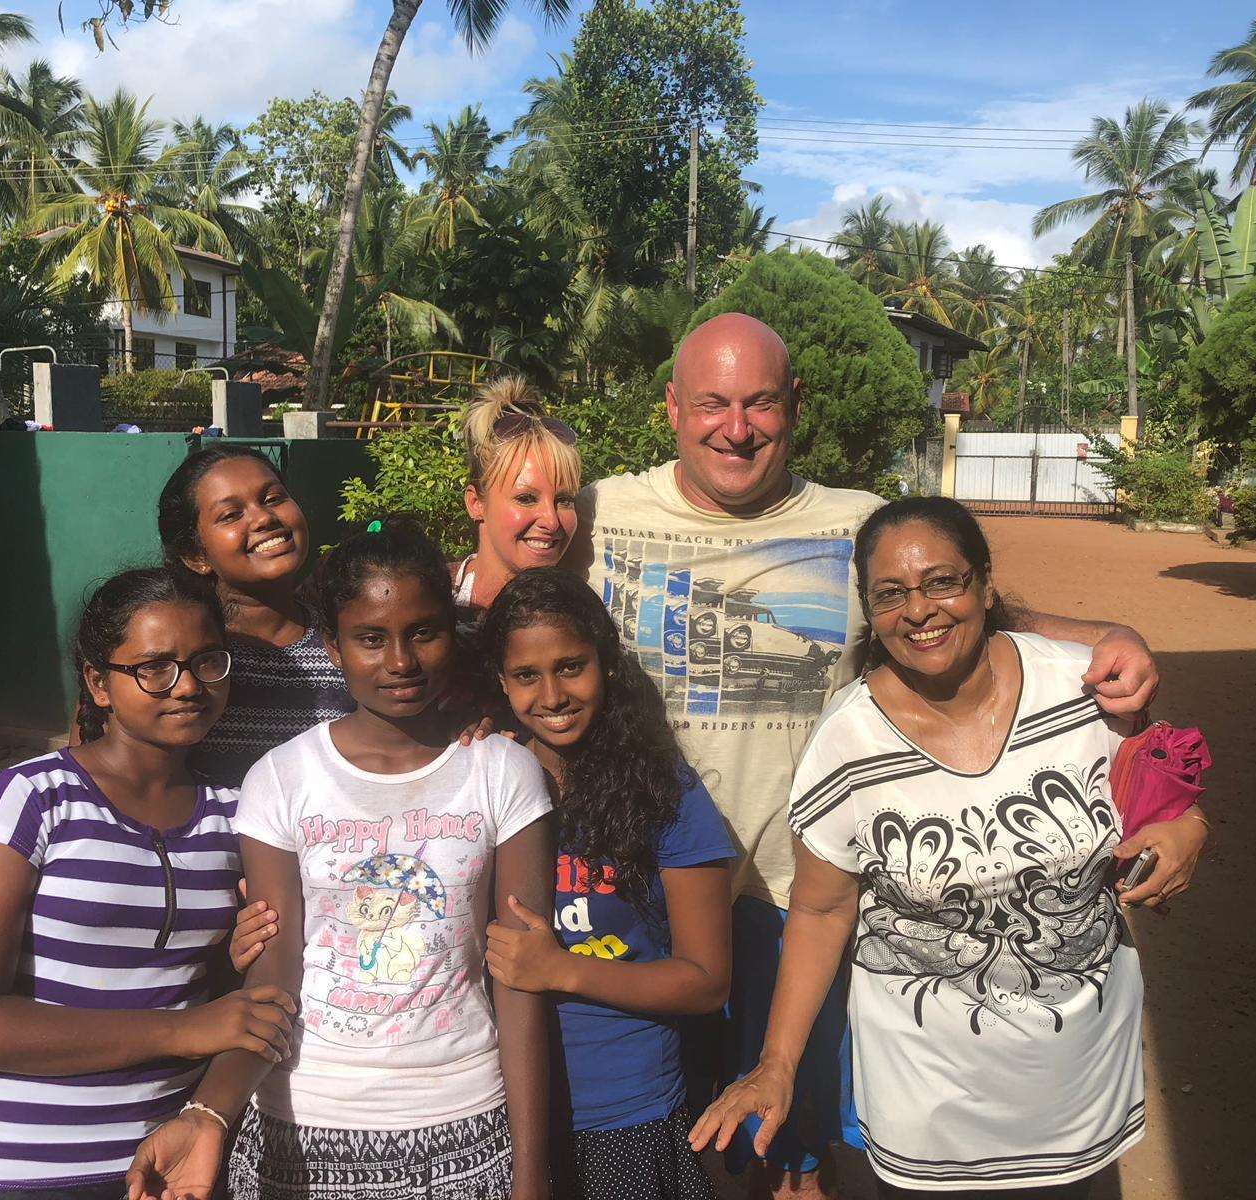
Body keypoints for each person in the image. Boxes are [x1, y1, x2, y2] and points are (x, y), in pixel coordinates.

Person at [569, 312, 1162, 1197]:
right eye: (712, 404)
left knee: (810, 1137)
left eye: (761, 402)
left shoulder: (856, 524)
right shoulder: (596, 513)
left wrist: (1110, 637)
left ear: (794, 406)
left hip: (797, 887)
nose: (737, 427)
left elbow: (973, 610)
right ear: (672, 409)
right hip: (646, 892)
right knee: (655, 1131)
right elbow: (511, 607)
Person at [689, 497, 1209, 1197]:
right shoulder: (846, 746)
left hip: (1082, 1096)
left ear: (986, 585)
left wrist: (1186, 831)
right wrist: (776, 1063)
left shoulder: (1081, 690)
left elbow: (1160, 800)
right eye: (891, 593)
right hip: (929, 1121)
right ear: (869, 611)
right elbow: (817, 913)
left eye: (942, 582)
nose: (919, 610)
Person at [125, 518, 557, 1200]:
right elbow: (276, 970)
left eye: (423, 632)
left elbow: (523, 981)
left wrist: (534, 1176)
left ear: (454, 630)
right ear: (333, 645)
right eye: (370, 638)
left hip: (467, 1119)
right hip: (301, 1121)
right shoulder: (282, 780)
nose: (401, 662)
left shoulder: (502, 773)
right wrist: (211, 1114)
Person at [0, 568, 296, 1199]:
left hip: (180, 1161)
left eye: (207, 662)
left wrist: (229, 964)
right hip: (31, 1169)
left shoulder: (236, 813)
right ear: (99, 684)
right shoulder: (30, 799)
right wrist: (183, 1030)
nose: (186, 686)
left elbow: (210, 987)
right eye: (154, 667)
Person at [475, 567, 734, 1200]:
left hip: (626, 1110)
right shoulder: (476, 777)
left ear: (607, 664)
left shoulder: (665, 793)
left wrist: (561, 969)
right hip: (490, 1105)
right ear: (500, 683)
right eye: (526, 676)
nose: (553, 695)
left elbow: (705, 982)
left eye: (571, 667)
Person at [157, 444, 354, 784]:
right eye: (231, 515)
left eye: (274, 498)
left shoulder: (349, 641)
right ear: (194, 555)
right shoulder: (182, 659)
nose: (264, 518)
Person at [452, 377, 584, 615]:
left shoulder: (578, 619)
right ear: (475, 503)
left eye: (563, 500)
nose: (551, 521)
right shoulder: (430, 599)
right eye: (526, 498)